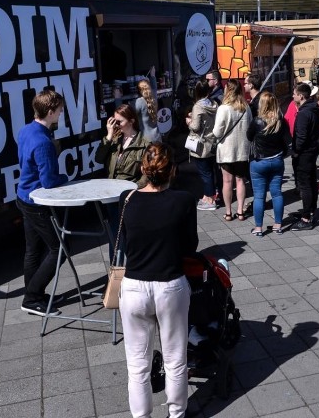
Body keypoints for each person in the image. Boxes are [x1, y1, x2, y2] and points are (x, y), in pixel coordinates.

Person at [118, 143, 198, 418]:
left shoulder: (126, 200)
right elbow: (191, 246)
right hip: (170, 286)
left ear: (143, 168)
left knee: (137, 364)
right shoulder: (184, 200)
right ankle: (176, 413)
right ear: (173, 171)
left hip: (133, 287)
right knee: (176, 358)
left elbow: (127, 245)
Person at [16, 89, 69, 316]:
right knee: (60, 250)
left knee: (33, 251)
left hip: (23, 196)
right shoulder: (43, 142)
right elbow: (49, 182)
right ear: (50, 112)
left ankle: (34, 294)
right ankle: (32, 297)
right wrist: (64, 178)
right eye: (59, 110)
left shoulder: (26, 130)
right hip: (37, 201)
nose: (61, 113)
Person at [96, 104, 151, 254]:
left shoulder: (144, 144)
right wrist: (108, 135)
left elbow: (147, 174)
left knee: (122, 234)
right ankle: (116, 269)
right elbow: (98, 158)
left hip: (128, 196)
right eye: (114, 121)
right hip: (111, 195)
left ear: (131, 121)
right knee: (114, 234)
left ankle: (122, 267)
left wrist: (134, 189)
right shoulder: (114, 140)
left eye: (119, 121)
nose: (116, 125)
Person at [247, 92, 290, 236]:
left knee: (259, 196)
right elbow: (287, 139)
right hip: (277, 160)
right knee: (277, 194)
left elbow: (249, 136)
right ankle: (278, 225)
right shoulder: (280, 121)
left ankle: (258, 228)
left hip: (259, 161)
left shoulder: (257, 121)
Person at [213, 79, 252, 221]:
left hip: (227, 150)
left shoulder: (223, 108)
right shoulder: (245, 107)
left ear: (227, 90)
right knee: (241, 181)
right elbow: (250, 127)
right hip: (242, 150)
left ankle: (229, 212)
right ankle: (241, 211)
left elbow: (217, 132)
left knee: (227, 182)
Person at [290, 82, 319, 230]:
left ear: (301, 96)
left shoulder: (304, 113)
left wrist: (296, 151)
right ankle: (310, 211)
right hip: (312, 150)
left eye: (295, 94)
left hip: (305, 154)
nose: (293, 96)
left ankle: (306, 217)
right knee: (311, 182)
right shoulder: (313, 108)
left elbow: (301, 137)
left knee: (306, 185)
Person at [186, 81, 219, 211]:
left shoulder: (198, 106)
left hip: (201, 144)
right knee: (210, 171)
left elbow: (195, 126)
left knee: (205, 173)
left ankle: (210, 200)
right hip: (212, 141)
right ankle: (207, 196)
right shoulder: (214, 103)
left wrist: (189, 121)